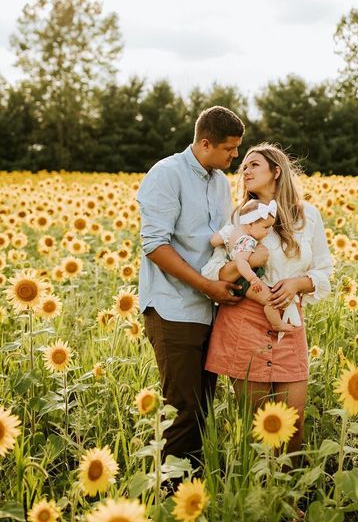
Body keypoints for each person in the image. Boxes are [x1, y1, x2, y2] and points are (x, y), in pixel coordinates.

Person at [137, 106, 267, 468]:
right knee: (182, 407)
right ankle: (169, 494)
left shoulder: (218, 183)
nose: (236, 156)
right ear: (205, 143)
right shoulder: (166, 175)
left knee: (203, 405)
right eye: (230, 148)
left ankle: (190, 487)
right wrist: (208, 287)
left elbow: (223, 241)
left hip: (211, 310)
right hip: (173, 307)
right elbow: (155, 245)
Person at [202, 143, 333, 454]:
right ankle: (260, 499)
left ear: (276, 171)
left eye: (254, 165)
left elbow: (325, 271)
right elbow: (212, 271)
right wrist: (246, 265)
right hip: (244, 323)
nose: (245, 170)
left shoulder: (307, 216)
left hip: (289, 321)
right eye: (243, 166)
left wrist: (298, 283)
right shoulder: (238, 218)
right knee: (257, 427)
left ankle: (289, 500)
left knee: (293, 424)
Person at [210, 198, 293, 333]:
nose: (267, 232)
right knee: (269, 300)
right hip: (244, 280)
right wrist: (253, 279)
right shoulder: (247, 241)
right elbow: (241, 262)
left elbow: (214, 241)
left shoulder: (233, 231)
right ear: (250, 224)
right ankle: (278, 325)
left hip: (239, 277)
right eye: (265, 227)